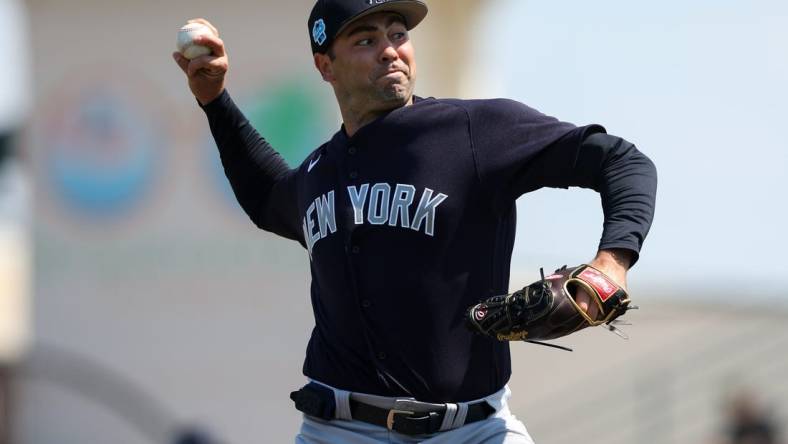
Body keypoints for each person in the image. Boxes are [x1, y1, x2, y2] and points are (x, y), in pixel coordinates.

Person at [172, 1, 657, 442]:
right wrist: (215, 100)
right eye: (365, 40)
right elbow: (266, 196)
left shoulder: (473, 131)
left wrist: (611, 265)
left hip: (472, 430)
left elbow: (621, 162)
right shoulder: (321, 171)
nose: (389, 51)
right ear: (325, 65)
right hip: (339, 430)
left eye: (397, 34)